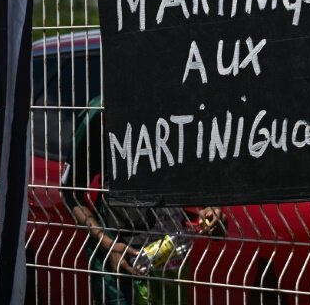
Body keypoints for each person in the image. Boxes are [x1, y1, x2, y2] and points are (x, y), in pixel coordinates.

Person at [62, 95, 225, 305]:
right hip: (121, 267)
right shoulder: (103, 109)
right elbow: (70, 190)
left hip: (171, 262)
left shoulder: (185, 102)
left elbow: (196, 174)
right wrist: (108, 244)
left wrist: (211, 208)